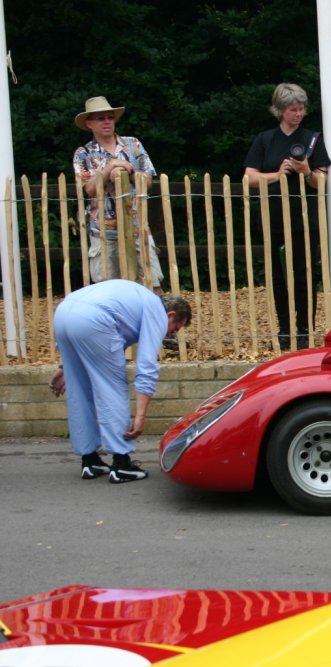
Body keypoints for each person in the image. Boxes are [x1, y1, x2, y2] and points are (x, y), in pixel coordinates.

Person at [48, 280, 191, 483]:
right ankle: (121, 463)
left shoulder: (138, 299)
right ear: (171, 315)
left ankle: (90, 461)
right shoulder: (156, 311)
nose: (170, 334)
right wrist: (140, 416)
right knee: (112, 387)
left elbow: (81, 323)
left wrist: (64, 367)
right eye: (175, 328)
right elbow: (146, 365)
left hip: (63, 313)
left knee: (78, 390)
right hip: (95, 319)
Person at [244, 83, 331, 350]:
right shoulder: (265, 139)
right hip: (273, 219)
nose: (299, 114)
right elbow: (249, 177)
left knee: (305, 274)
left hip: (305, 219)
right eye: (293, 109)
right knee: (279, 276)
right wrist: (277, 175)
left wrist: (306, 171)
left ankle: (304, 329)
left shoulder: (312, 138)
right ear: (280, 110)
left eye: (302, 109)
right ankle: (284, 329)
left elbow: (322, 181)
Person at [72, 96, 163, 293]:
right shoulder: (83, 153)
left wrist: (129, 171)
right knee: (107, 289)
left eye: (110, 117)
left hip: (137, 224)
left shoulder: (133, 145)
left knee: (152, 283)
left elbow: (147, 183)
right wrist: (109, 168)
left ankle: (154, 322)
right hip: (103, 230)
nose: (107, 122)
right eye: (100, 118)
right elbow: (88, 189)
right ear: (89, 124)